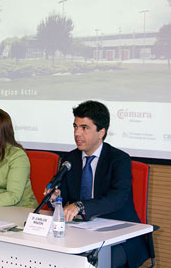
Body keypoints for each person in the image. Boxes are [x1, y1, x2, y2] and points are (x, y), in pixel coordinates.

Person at [46, 100, 148, 268]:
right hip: (80, 233)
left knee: (92, 265)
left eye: (84, 128)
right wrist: (55, 197)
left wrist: (80, 206)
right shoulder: (70, 159)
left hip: (119, 235)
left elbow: (118, 198)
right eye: (75, 127)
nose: (77, 133)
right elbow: (62, 195)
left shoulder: (119, 159)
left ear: (101, 132)